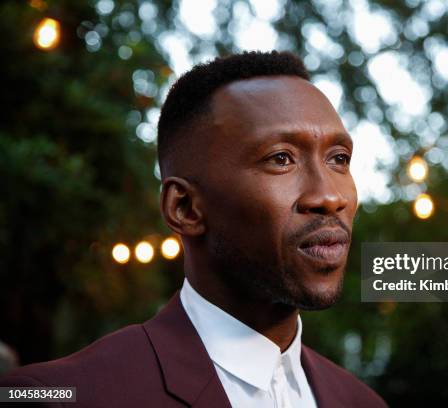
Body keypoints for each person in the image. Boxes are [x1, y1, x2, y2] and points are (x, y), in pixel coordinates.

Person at [0, 51, 387, 407]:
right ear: (184, 207)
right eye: (281, 159)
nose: (329, 197)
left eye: (339, 159)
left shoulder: (363, 402)